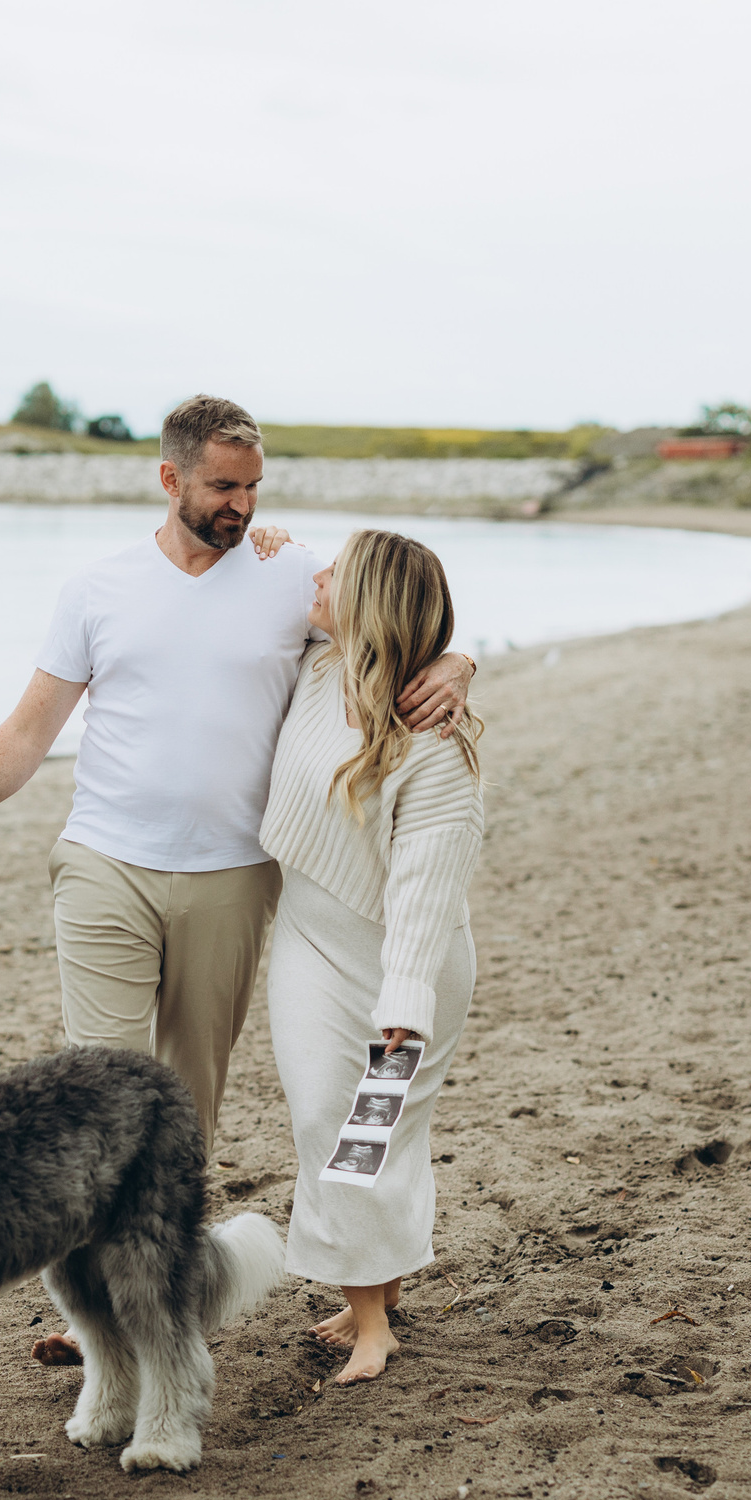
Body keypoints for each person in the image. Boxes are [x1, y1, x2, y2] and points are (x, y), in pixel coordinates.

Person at [0, 395, 474, 1361]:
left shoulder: (293, 577)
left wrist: (460, 660)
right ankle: (96, 1313)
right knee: (99, 1093)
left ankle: (159, 1292)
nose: (242, 505)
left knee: (189, 1109)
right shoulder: (98, 589)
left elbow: (396, 627)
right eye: (222, 487)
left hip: (238, 885)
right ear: (171, 480)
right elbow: (30, 729)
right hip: (107, 865)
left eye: (253, 486)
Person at [259, 529, 485, 1385]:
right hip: (310, 945)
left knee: (374, 1132)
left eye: (334, 574)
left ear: (371, 605)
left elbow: (425, 897)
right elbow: (257, 579)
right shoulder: (323, 667)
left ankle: (372, 1320)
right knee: (326, 1116)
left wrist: (404, 1007)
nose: (315, 577)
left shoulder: (436, 748)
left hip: (408, 967)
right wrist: (269, 543)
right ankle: (370, 1297)